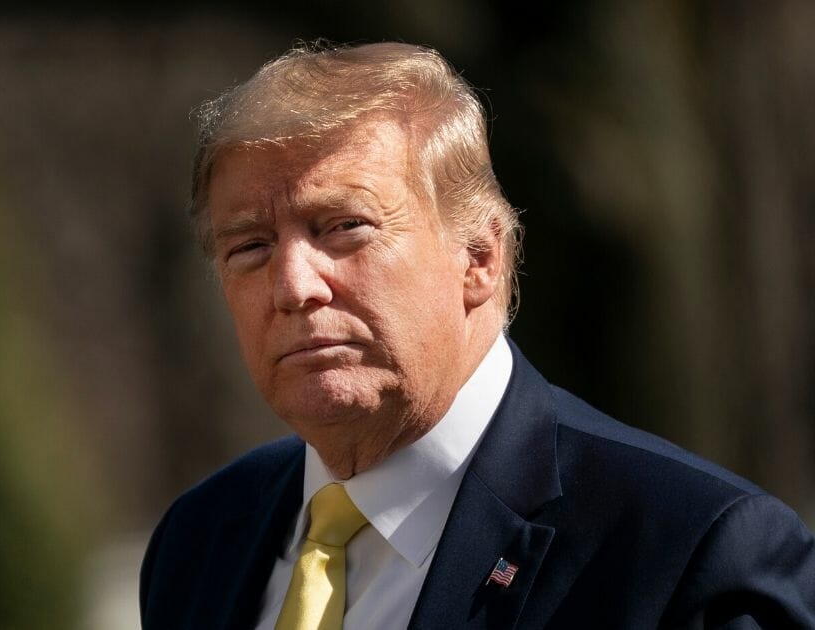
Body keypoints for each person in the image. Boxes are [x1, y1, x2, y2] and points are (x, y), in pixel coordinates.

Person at [139, 42, 815, 629]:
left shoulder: (688, 550)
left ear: (480, 260)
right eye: (250, 247)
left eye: (343, 227)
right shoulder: (202, 539)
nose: (293, 286)